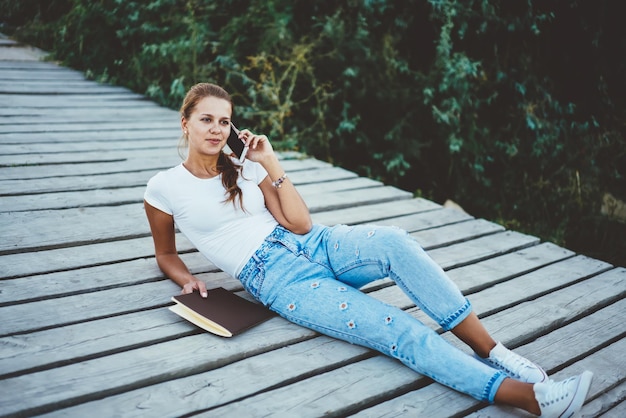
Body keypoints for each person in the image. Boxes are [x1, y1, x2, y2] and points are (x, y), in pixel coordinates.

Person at [144, 82, 593, 417]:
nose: (218, 129)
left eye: (225, 120)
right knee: (396, 327)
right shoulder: (164, 187)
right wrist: (187, 279)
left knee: (396, 242)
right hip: (277, 278)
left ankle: (494, 351)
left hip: (313, 243)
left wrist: (270, 162)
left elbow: (299, 222)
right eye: (207, 119)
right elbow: (165, 253)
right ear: (185, 122)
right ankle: (528, 399)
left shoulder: (243, 167)